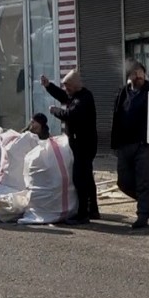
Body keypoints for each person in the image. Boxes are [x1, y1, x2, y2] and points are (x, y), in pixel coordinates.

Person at [42, 70, 98, 223]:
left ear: (75, 85)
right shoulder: (75, 95)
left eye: (68, 86)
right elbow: (63, 96)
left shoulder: (84, 99)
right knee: (87, 177)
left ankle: (83, 214)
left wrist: (55, 110)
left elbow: (70, 115)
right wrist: (49, 86)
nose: (66, 89)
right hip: (80, 143)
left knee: (80, 178)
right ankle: (93, 210)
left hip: (84, 145)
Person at [111, 60, 149, 229]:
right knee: (123, 181)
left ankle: (143, 215)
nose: (139, 76)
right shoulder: (122, 93)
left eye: (141, 73)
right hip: (125, 145)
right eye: (135, 73)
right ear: (129, 76)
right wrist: (114, 144)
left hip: (144, 145)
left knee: (145, 181)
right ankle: (146, 200)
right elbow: (116, 118)